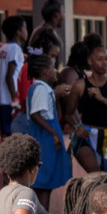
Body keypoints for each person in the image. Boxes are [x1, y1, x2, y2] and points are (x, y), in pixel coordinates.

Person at [21, 48, 71, 203]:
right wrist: (54, 133)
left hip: (49, 133)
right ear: (43, 71)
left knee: (48, 182)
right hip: (44, 137)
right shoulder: (40, 89)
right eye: (51, 67)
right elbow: (36, 115)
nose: (54, 70)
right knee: (42, 179)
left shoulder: (45, 89)